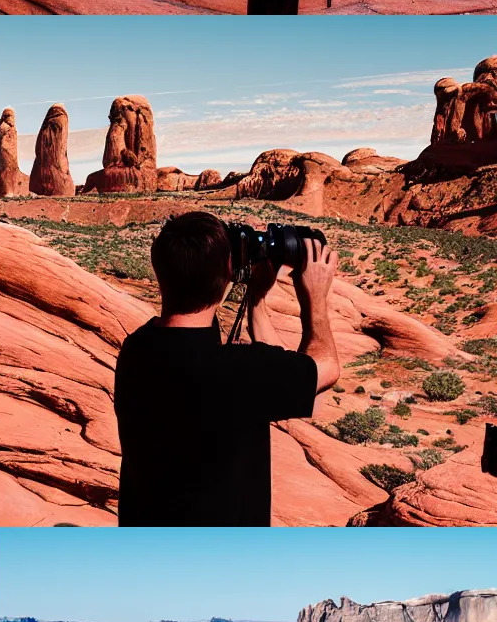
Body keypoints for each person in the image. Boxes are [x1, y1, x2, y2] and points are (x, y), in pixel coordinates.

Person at [113, 212, 340, 525]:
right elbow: (325, 367)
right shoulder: (237, 374)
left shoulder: (137, 351)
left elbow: (262, 363)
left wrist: (256, 300)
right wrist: (314, 295)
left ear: (158, 268)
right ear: (230, 270)